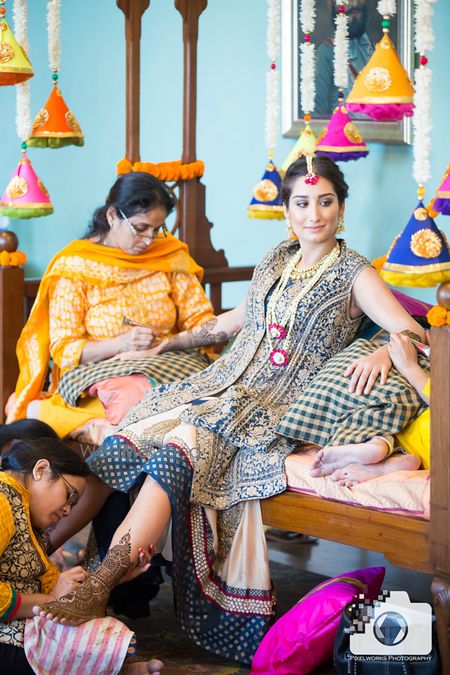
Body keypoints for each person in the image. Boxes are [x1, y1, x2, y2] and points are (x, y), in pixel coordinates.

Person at [35, 156, 426, 664]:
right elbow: (229, 323)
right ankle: (43, 552)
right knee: (134, 432)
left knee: (183, 443)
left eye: (325, 202)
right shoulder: (274, 261)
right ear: (287, 209)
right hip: (219, 382)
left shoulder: (355, 273)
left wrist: (381, 351)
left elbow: (409, 328)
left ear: (341, 207)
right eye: (302, 203)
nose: (314, 215)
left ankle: (103, 578)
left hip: (271, 406)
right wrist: (171, 343)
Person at [6, 172, 215, 438]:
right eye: (140, 228)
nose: (150, 239)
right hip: (103, 372)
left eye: (158, 228)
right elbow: (63, 349)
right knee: (138, 403)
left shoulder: (168, 255)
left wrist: (162, 346)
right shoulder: (75, 265)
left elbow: (201, 321)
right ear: (113, 215)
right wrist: (122, 344)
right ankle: (51, 413)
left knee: (219, 392)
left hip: (169, 362)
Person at [0, 428, 164, 674]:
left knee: (98, 630)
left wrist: (108, 579)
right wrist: (49, 601)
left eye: (73, 504)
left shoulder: (26, 516)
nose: (67, 511)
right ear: (41, 470)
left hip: (14, 625)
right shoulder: (3, 500)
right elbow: (51, 597)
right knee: (90, 640)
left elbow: (56, 589)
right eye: (69, 496)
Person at [311, 332, 431, 487]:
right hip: (419, 443)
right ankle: (386, 454)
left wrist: (409, 366)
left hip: (427, 432)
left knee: (377, 417)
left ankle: (380, 448)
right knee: (388, 428)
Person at [315, 0, 374, 116]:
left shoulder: (373, 48)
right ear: (330, 3)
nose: (355, 4)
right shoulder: (326, 52)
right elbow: (316, 115)